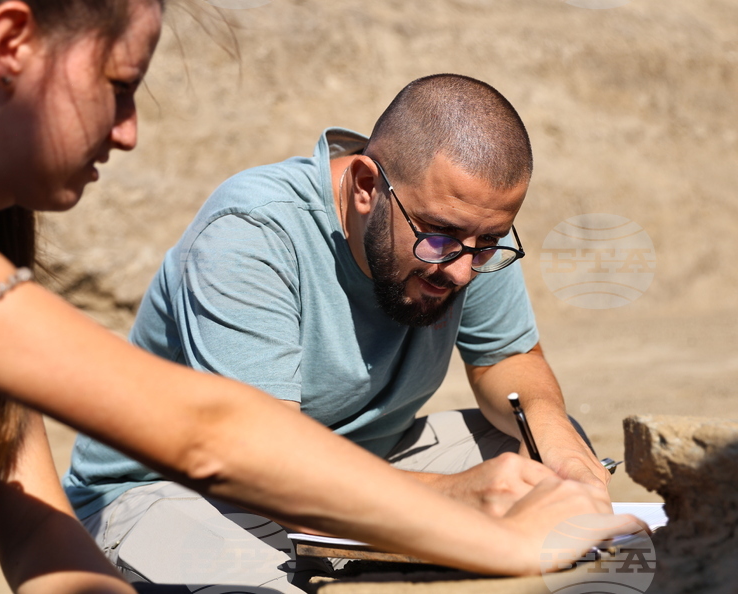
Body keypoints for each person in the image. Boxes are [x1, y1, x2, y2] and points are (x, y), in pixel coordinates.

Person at [0, 0, 631, 589]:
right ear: (11, 45)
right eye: (117, 88)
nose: (128, 133)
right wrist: (496, 535)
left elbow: (43, 546)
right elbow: (208, 433)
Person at [65, 74, 616, 590]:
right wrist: (453, 499)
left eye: (490, 243)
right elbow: (264, 464)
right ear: (364, 187)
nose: (462, 271)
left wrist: (559, 451)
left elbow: (506, 359)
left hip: (355, 464)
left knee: (533, 460)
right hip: (183, 489)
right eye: (441, 238)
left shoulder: (466, 229)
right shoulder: (250, 235)